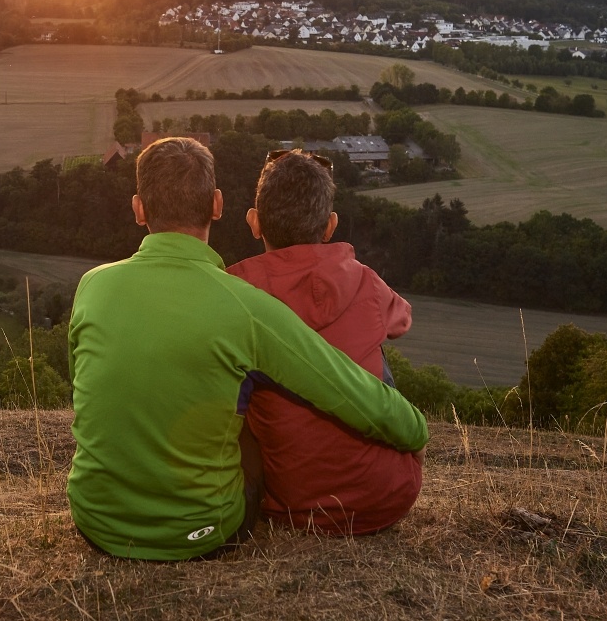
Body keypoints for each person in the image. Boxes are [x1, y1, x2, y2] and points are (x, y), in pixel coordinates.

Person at [66, 137, 428, 560]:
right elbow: (346, 389)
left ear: (139, 209)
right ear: (217, 205)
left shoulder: (92, 286)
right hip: (205, 532)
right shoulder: (246, 305)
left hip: (93, 521)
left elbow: (88, 386)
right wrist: (416, 432)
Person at [226, 149, 423, 535]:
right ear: (330, 226)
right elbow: (402, 320)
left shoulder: (234, 294)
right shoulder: (365, 280)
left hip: (290, 505)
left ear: (254, 222)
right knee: (374, 343)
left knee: (235, 374)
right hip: (388, 497)